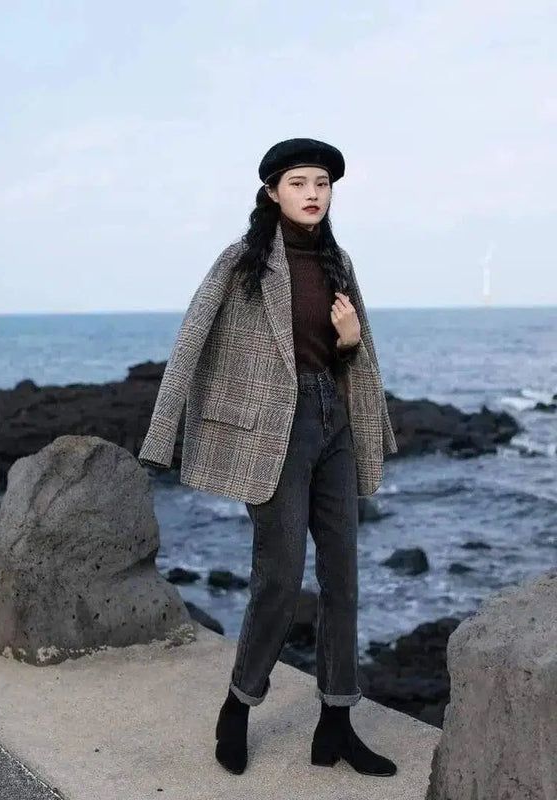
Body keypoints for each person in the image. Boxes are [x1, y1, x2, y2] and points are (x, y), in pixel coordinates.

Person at [138, 138, 398, 778]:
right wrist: (163, 436)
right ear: (272, 192)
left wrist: (349, 341)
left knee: (343, 579)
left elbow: (350, 356)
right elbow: (190, 342)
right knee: (279, 579)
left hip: (334, 421)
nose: (313, 194)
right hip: (273, 431)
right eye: (299, 183)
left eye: (322, 184)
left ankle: (335, 724)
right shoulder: (243, 260)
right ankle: (238, 706)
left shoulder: (339, 261)